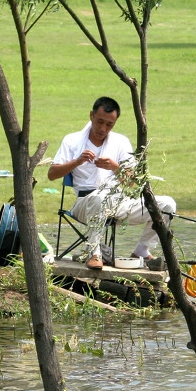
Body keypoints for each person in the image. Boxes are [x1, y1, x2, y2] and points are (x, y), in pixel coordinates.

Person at [48, 97, 177, 270]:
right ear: (91, 115)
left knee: (167, 205)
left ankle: (141, 251)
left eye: (109, 124)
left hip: (119, 202)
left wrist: (115, 167)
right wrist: (77, 161)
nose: (103, 128)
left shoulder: (121, 142)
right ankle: (94, 252)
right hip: (84, 204)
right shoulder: (72, 141)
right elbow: (52, 174)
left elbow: (133, 185)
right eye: (100, 121)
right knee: (100, 198)